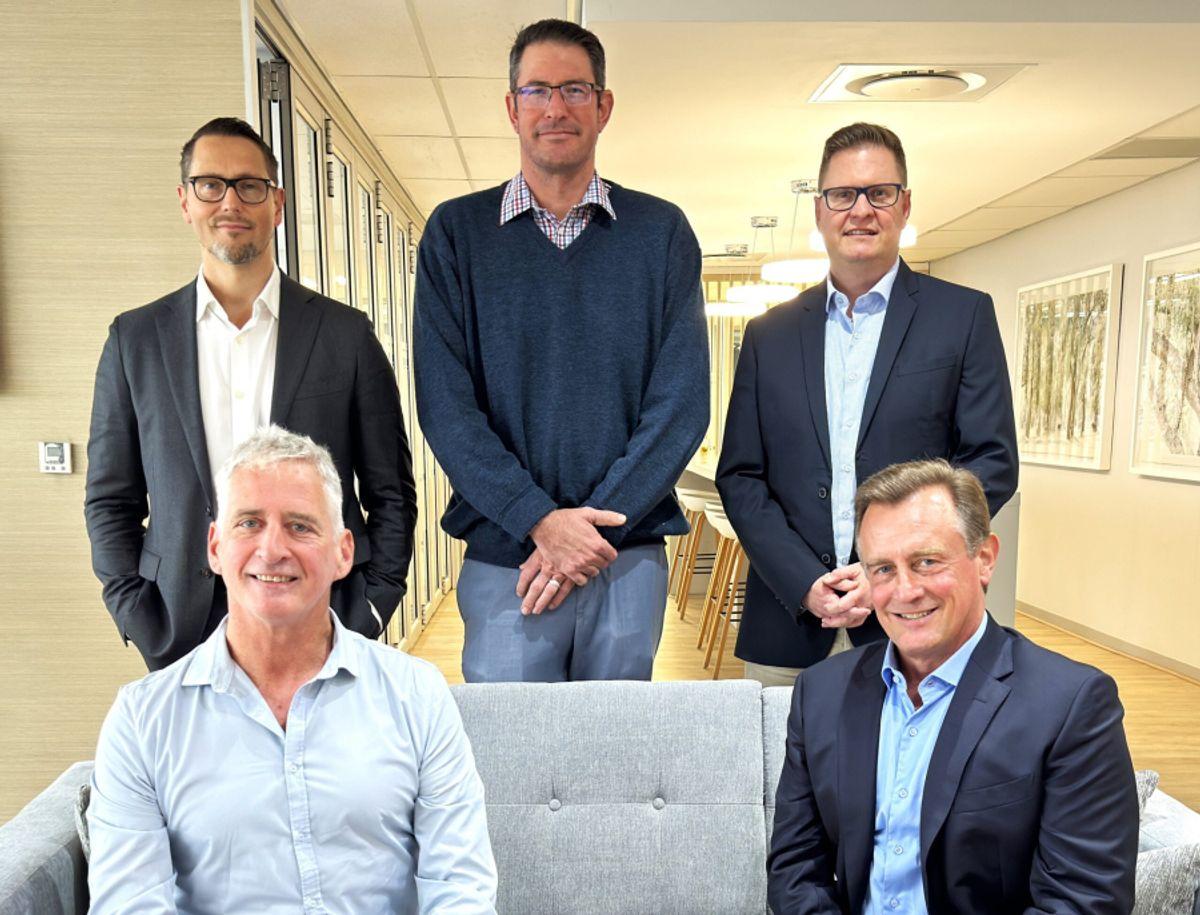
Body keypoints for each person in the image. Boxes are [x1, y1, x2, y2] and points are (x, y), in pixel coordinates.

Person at [87, 426, 497, 913]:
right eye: (249, 523)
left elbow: (459, 888)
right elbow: (129, 905)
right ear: (215, 548)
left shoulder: (417, 695)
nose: (272, 549)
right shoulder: (142, 721)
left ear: (344, 553)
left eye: (300, 526)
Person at [413, 19, 708, 682]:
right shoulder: (456, 236)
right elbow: (445, 406)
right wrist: (541, 522)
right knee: (515, 769)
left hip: (624, 557)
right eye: (537, 90)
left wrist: (586, 534)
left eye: (575, 89)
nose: (556, 108)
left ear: (604, 106)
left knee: (614, 766)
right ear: (511, 107)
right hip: (507, 558)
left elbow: (682, 405)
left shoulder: (661, 234)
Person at [85, 117, 416, 670]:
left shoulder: (345, 335)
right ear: (185, 202)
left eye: (250, 185)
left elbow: (391, 493)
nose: (230, 202)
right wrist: (136, 611)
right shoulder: (135, 341)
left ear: (277, 203)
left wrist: (371, 608)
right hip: (180, 626)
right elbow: (109, 499)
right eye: (210, 185)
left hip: (323, 618)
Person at [716, 122, 1018, 687]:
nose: (860, 210)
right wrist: (805, 580)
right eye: (842, 195)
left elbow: (991, 461)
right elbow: (740, 476)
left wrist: (890, 570)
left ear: (904, 207)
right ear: (819, 211)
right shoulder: (768, 334)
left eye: (879, 193)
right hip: (789, 619)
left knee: (923, 774)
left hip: (921, 613)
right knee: (784, 774)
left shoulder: (962, 316)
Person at [768, 459, 1137, 913]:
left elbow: (1083, 901)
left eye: (926, 562)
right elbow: (795, 870)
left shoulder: (1072, 707)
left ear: (984, 559)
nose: (904, 591)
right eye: (882, 569)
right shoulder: (820, 693)